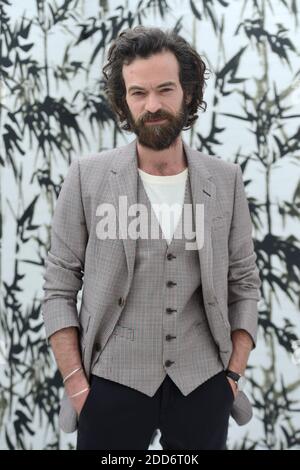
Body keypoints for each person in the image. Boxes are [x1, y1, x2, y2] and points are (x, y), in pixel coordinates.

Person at [42, 26, 261, 450]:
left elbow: (245, 283)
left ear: (188, 93)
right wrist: (77, 387)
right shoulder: (87, 177)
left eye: (165, 89)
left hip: (202, 386)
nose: (153, 104)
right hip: (110, 386)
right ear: (124, 99)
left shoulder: (226, 179)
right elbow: (59, 286)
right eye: (138, 92)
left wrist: (231, 377)